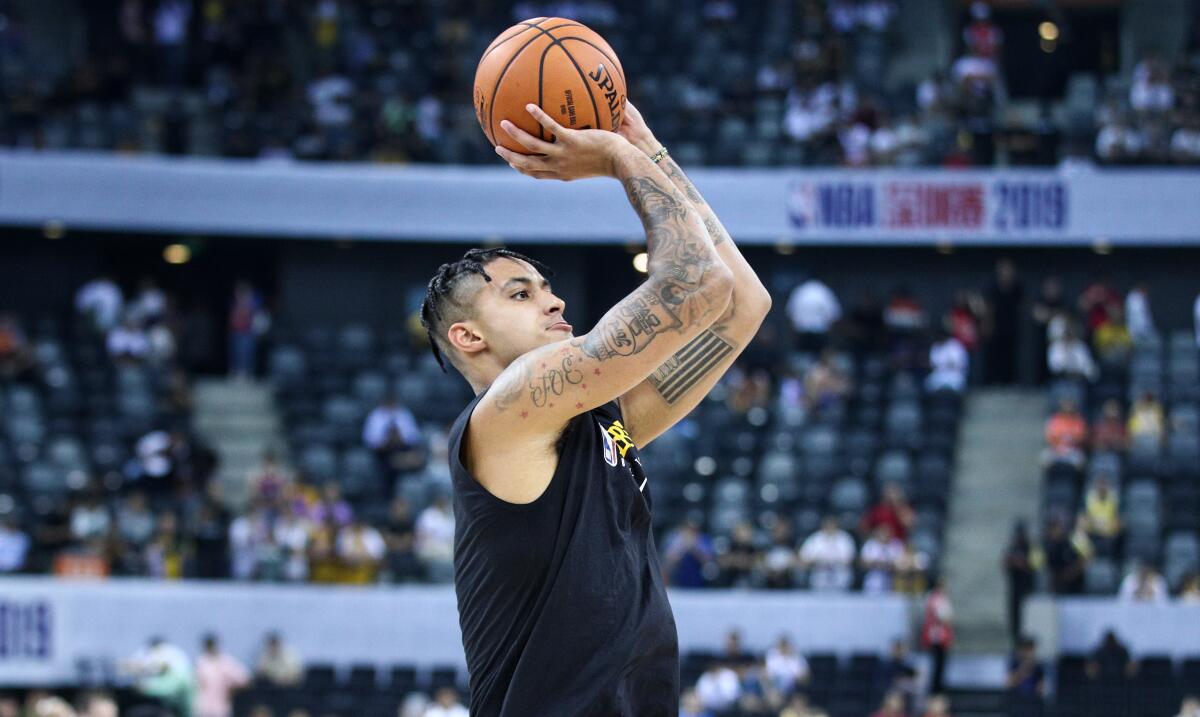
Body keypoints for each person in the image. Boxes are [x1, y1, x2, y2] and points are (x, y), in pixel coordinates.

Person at [422, 101, 769, 715]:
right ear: (469, 337)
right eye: (520, 293)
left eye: (550, 289)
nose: (553, 304)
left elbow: (741, 303)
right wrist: (616, 157)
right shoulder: (509, 410)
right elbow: (695, 286)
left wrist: (647, 145)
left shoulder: (601, 421)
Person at [984, 258, 1022, 385]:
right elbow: (988, 307)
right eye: (1003, 269)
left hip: (1011, 327)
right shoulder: (993, 287)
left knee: (1010, 356)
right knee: (994, 356)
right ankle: (993, 381)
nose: (1005, 272)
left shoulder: (1017, 288)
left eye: (1008, 269)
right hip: (995, 327)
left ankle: (1010, 381)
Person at [194, 634, 250, 717]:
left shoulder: (225, 662)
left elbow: (245, 679)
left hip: (221, 708)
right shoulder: (201, 662)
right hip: (204, 708)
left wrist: (232, 691)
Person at [1002, 522, 1039, 643]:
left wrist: (1020, 563)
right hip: (1015, 588)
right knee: (1015, 618)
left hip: (1028, 588)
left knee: (1028, 618)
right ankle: (1016, 642)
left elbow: (1035, 565)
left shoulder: (1031, 548)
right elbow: (1005, 564)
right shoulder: (1012, 548)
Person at [798, 516, 856, 591]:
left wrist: (832, 561)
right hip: (819, 579)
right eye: (828, 525)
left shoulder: (844, 539)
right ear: (823, 525)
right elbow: (803, 560)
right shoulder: (815, 539)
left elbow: (850, 560)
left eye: (832, 524)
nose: (830, 527)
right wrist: (818, 562)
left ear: (837, 525)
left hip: (840, 578)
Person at [787, 276, 841, 351]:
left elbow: (791, 315)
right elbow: (833, 315)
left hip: (806, 333)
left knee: (804, 358)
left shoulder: (799, 291)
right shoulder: (824, 291)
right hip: (817, 333)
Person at [921, 578, 954, 695]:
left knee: (937, 664)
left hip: (934, 635)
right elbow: (945, 618)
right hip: (938, 636)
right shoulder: (938, 599)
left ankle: (936, 689)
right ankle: (936, 691)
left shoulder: (931, 598)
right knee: (938, 665)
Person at [228, 280, 266, 380]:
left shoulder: (253, 301)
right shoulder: (235, 302)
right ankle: (237, 371)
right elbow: (233, 317)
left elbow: (258, 314)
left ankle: (247, 372)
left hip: (248, 332)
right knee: (236, 352)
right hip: (236, 331)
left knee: (247, 353)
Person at [662, 519, 716, 588]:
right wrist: (683, 547)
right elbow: (669, 557)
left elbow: (708, 559)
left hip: (698, 570)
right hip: (679, 570)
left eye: (694, 529)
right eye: (689, 528)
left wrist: (694, 548)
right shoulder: (675, 538)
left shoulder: (703, 539)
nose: (691, 531)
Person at [1006, 637, 1045, 717]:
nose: (1028, 652)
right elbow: (1009, 683)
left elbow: (1040, 690)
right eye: (1026, 649)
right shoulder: (1014, 664)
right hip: (1016, 702)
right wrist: (1024, 668)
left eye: (1030, 649)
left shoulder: (1038, 667)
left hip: (1032, 703)